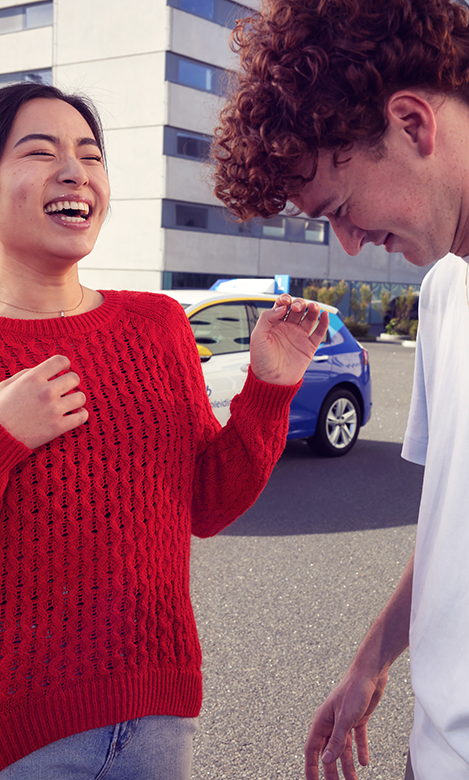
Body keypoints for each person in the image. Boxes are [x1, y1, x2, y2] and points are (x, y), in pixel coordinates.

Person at [0, 81, 328, 780]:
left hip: (157, 720)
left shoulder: (159, 327)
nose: (74, 171)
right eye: (40, 151)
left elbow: (205, 504)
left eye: (90, 155)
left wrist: (269, 389)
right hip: (3, 743)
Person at [212, 1, 469, 778]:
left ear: (413, 125)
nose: (351, 244)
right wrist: (370, 661)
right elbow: (452, 524)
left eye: (342, 209)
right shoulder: (446, 294)